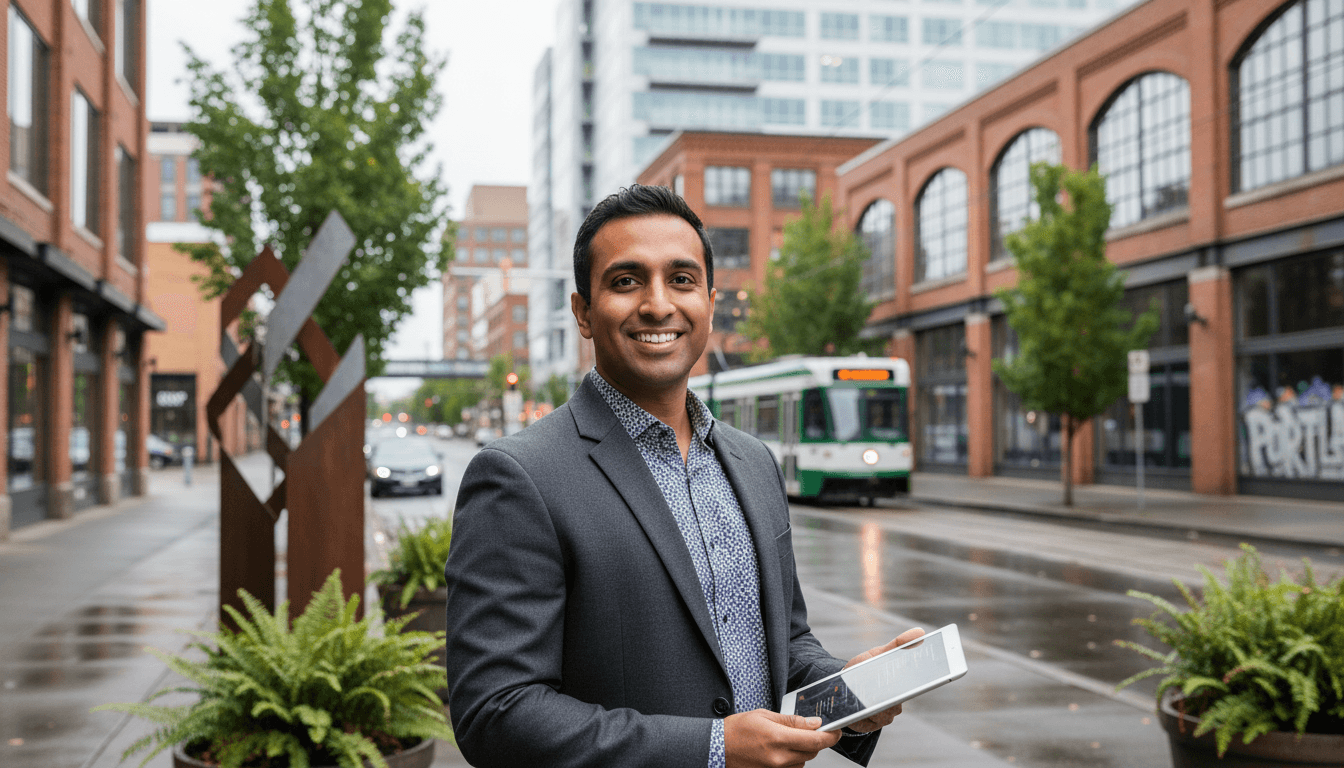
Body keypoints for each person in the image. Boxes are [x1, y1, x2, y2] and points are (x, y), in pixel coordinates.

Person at [444, 185, 922, 768]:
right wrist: (713, 747)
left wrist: (850, 690)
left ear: (711, 302)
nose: (657, 304)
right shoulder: (519, 478)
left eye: (681, 279)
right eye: (626, 281)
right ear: (583, 312)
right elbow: (496, 712)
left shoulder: (754, 463)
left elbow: (783, 643)